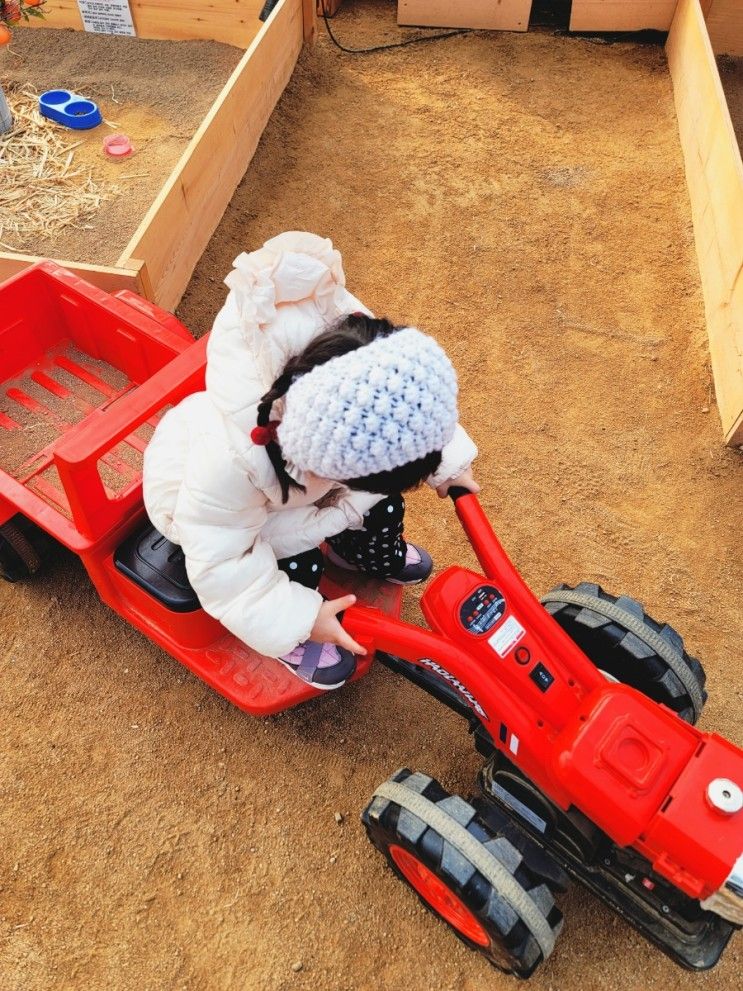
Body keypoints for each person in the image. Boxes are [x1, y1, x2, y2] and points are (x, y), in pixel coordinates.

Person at [143, 232, 479, 691]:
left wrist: (447, 458)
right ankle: (292, 636)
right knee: (296, 559)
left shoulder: (351, 343)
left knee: (382, 503)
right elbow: (224, 562)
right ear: (319, 459)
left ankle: (359, 550)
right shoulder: (233, 463)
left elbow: (404, 405)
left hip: (300, 483)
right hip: (208, 510)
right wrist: (299, 619)